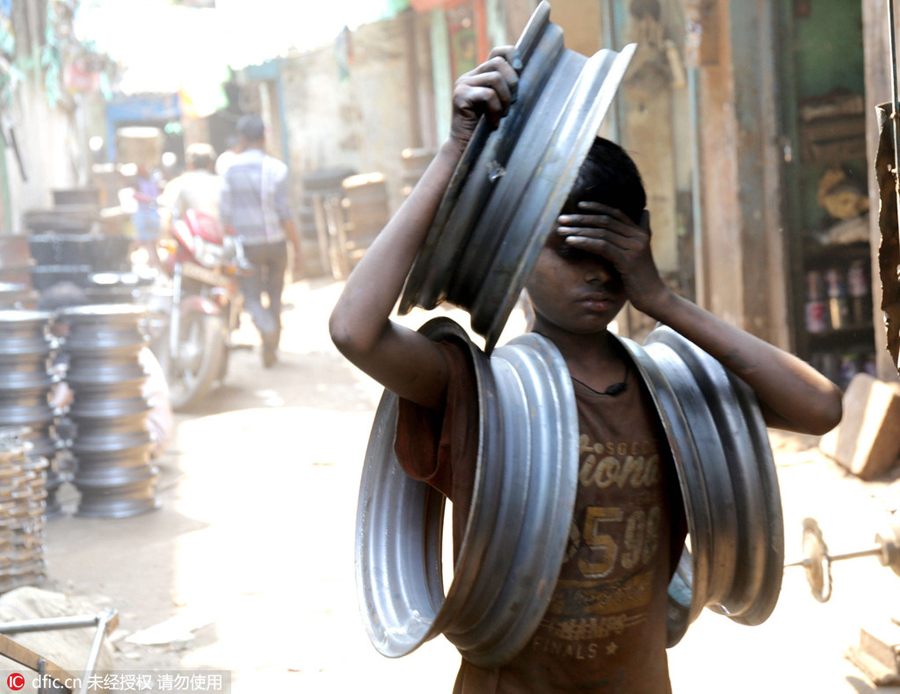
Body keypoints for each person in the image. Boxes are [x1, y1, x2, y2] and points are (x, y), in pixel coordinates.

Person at [328, 47, 843, 693]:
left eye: (615, 250)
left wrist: (659, 297)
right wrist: (451, 154)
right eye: (570, 251)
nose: (597, 272)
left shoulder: (671, 388)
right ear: (513, 251)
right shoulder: (479, 390)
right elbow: (354, 330)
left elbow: (819, 408)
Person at [219, 114, 303, 368]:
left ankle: (266, 329)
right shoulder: (277, 169)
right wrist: (297, 248)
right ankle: (271, 349)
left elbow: (224, 213)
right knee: (275, 295)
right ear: (264, 138)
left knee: (252, 295)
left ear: (242, 139)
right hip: (276, 243)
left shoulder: (229, 169)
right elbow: (285, 213)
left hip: (247, 246)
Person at [158, 143, 224, 224]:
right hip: (220, 232)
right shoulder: (222, 183)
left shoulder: (177, 183)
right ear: (211, 164)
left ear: (190, 164)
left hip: (192, 234)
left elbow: (169, 212)